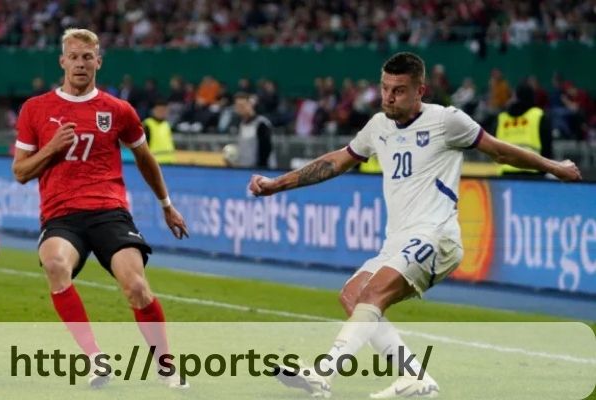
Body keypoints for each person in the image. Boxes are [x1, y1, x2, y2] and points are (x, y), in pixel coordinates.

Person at [248, 52, 581, 399]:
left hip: (437, 236)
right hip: (397, 241)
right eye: (385, 88)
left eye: (399, 90)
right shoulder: (378, 126)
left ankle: (323, 373)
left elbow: (500, 152)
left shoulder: (447, 121)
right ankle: (416, 379)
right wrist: (277, 184)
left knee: (374, 294)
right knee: (353, 296)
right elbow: (335, 162)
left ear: (420, 90)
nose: (389, 97)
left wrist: (554, 166)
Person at [11, 28, 189, 389]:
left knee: (137, 287)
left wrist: (166, 205)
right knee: (55, 263)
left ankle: (167, 366)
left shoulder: (117, 110)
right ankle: (95, 361)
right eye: (73, 57)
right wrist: (52, 148)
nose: (80, 64)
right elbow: (20, 172)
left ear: (98, 62)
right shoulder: (36, 109)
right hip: (61, 215)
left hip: (109, 210)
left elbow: (144, 158)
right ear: (62, 61)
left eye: (87, 57)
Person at [493, 83, 552, 177]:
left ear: (515, 96)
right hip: (533, 174)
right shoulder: (538, 115)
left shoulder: (502, 118)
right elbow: (547, 146)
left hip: (506, 174)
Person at [233, 92, 274, 168]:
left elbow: (265, 151)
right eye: (237, 106)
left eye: (242, 105)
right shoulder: (241, 125)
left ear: (250, 104)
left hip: (261, 171)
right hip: (244, 170)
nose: (240, 109)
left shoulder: (261, 124)